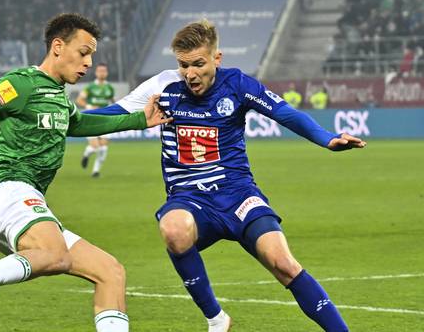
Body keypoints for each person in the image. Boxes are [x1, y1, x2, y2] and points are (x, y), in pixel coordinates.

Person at [0, 13, 171, 332]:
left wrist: (139, 120)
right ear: (57, 46)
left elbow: (80, 124)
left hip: (25, 205)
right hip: (8, 190)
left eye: (91, 56)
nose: (88, 63)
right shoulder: (21, 84)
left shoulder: (58, 97)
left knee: (110, 271)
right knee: (58, 256)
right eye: (83, 53)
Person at [87, 19, 365, 332]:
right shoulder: (163, 86)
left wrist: (326, 138)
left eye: (198, 64)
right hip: (189, 199)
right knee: (174, 229)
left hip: (238, 194)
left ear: (217, 59)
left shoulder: (237, 84)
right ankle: (217, 320)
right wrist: (59, 120)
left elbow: (284, 112)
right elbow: (109, 114)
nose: (190, 74)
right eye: (183, 65)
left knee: (283, 263)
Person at [76, 63, 116, 177]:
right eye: (100, 71)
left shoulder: (109, 88)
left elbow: (113, 101)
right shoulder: (90, 87)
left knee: (103, 148)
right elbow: (79, 100)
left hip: (105, 119)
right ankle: (86, 155)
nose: (102, 73)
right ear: (96, 72)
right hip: (90, 119)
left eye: (104, 71)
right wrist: (89, 106)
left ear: (106, 73)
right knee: (95, 147)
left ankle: (95, 171)